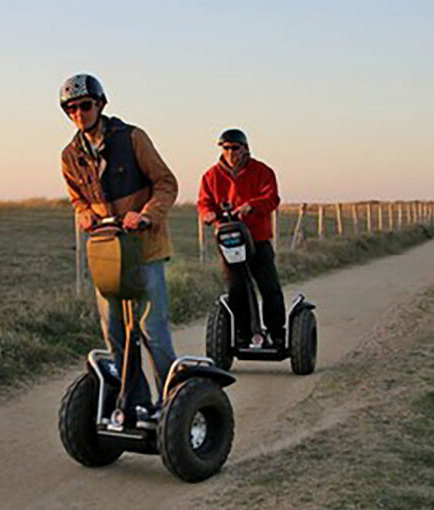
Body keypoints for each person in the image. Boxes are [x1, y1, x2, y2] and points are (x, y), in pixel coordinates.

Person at [59, 73, 178, 416]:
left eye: (85, 105)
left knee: (151, 328)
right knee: (115, 331)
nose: (79, 113)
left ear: (100, 104)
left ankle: (171, 404)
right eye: (71, 109)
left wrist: (146, 214)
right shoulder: (70, 155)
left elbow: (166, 183)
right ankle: (135, 401)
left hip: (145, 247)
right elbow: (76, 197)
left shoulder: (132, 138)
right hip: (108, 252)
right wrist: (83, 213)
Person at [197, 128, 286, 348]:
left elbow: (271, 198)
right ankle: (243, 334)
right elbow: (204, 201)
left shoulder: (262, 171)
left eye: (234, 148)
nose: (230, 152)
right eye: (225, 148)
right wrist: (207, 214)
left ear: (245, 148)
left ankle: (276, 332)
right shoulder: (211, 176)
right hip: (230, 241)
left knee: (269, 286)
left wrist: (251, 206)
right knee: (236, 288)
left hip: (258, 238)